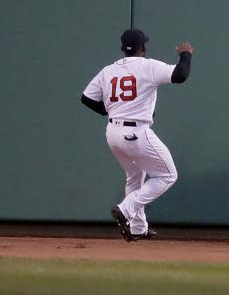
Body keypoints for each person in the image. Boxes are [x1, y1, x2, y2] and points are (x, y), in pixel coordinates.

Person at [81, 29, 193, 242]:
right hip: (136, 133)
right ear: (143, 47)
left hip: (113, 133)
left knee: (135, 176)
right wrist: (185, 54)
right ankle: (126, 209)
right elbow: (180, 75)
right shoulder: (147, 66)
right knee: (168, 175)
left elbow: (86, 98)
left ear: (124, 48)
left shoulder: (108, 70)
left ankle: (138, 228)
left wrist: (111, 111)